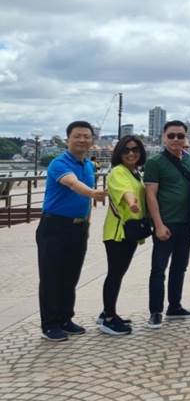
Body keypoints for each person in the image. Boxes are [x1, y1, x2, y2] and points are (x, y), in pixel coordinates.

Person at [36, 121, 105, 341]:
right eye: (77, 136)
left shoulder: (87, 165)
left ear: (92, 141)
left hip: (78, 227)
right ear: (68, 139)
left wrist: (87, 222)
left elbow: (83, 201)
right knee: (51, 276)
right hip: (54, 226)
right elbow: (72, 184)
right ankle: (50, 324)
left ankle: (66, 318)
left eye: (86, 136)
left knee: (70, 275)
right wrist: (93, 193)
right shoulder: (59, 163)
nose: (82, 140)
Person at [145, 120, 190, 328]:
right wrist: (158, 224)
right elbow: (150, 194)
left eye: (180, 136)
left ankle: (174, 305)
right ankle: (155, 310)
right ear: (164, 137)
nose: (176, 139)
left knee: (180, 267)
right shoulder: (155, 162)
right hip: (166, 222)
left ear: (186, 138)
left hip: (186, 223)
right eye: (172, 136)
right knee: (159, 268)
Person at [98, 135, 147, 336]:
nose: (131, 153)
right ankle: (109, 318)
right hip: (118, 232)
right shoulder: (118, 172)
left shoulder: (135, 172)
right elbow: (125, 191)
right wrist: (132, 201)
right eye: (126, 150)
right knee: (115, 274)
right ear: (119, 152)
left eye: (135, 149)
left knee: (119, 272)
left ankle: (107, 312)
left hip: (130, 230)